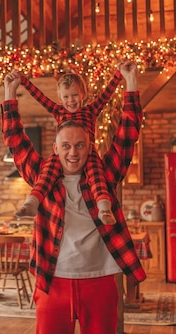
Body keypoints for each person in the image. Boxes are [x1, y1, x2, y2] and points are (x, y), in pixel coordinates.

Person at [1, 60, 146, 334]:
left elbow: (127, 135)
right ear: (55, 149)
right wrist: (10, 94)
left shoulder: (104, 174)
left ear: (90, 146)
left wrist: (130, 83)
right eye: (66, 146)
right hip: (52, 281)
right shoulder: (43, 175)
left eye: (80, 145)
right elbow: (16, 141)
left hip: (101, 281)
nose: (72, 152)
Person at [14, 68, 124, 225]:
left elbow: (106, 94)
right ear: (60, 98)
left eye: (74, 95)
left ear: (83, 95)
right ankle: (32, 202)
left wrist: (118, 75)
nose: (71, 100)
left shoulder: (90, 111)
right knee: (47, 174)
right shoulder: (58, 111)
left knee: (97, 176)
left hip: (88, 151)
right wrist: (24, 81)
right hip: (62, 153)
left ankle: (104, 209)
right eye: (66, 96)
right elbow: (40, 97)